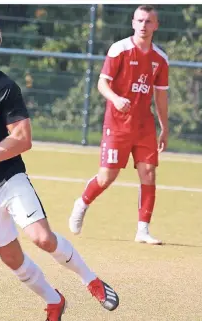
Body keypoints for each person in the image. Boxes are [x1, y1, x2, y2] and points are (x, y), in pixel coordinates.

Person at [0, 21, 119, 321]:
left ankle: (91, 280)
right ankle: (54, 301)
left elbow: (23, 140)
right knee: (10, 257)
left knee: (42, 238)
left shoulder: (4, 89)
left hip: (8, 179)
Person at [69, 5, 169, 245]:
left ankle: (142, 230)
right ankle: (82, 203)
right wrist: (116, 99)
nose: (143, 26)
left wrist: (164, 127)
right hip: (117, 123)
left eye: (148, 21)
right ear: (133, 23)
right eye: (139, 21)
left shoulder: (160, 59)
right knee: (107, 177)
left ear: (156, 25)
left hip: (144, 125)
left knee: (149, 173)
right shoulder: (120, 50)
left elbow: (161, 96)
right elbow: (102, 84)